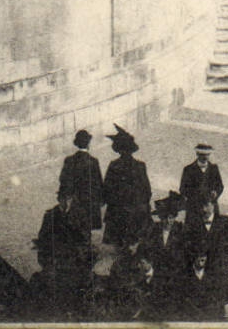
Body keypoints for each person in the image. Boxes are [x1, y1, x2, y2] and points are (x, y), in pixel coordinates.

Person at [35, 188, 95, 317]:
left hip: (75, 257)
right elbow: (43, 237)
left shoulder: (80, 215)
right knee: (56, 284)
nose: (66, 202)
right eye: (63, 198)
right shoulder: (50, 216)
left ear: (72, 199)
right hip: (56, 256)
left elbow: (86, 238)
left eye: (68, 199)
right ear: (58, 199)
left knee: (78, 283)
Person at [177, 197, 228, 318]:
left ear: (214, 205)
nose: (203, 209)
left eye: (206, 205)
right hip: (200, 272)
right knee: (198, 307)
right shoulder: (193, 223)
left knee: (217, 309)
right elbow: (185, 245)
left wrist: (224, 260)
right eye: (201, 206)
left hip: (219, 272)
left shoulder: (224, 222)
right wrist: (194, 260)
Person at [103, 125, 152, 247]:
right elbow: (147, 190)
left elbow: (106, 190)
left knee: (119, 243)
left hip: (118, 212)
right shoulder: (140, 166)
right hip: (135, 212)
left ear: (118, 150)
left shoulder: (114, 165)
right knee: (133, 241)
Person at [59, 130, 105, 233]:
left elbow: (63, 180)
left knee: (74, 226)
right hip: (89, 201)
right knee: (87, 226)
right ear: (88, 144)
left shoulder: (69, 160)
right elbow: (98, 183)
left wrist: (63, 197)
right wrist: (101, 199)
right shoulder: (93, 161)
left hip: (75, 201)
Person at [179, 143, 225, 221]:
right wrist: (195, 197)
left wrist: (216, 193)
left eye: (207, 155)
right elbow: (183, 189)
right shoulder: (188, 169)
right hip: (194, 207)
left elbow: (220, 185)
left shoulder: (214, 168)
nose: (205, 157)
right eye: (202, 155)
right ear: (197, 154)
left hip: (210, 206)